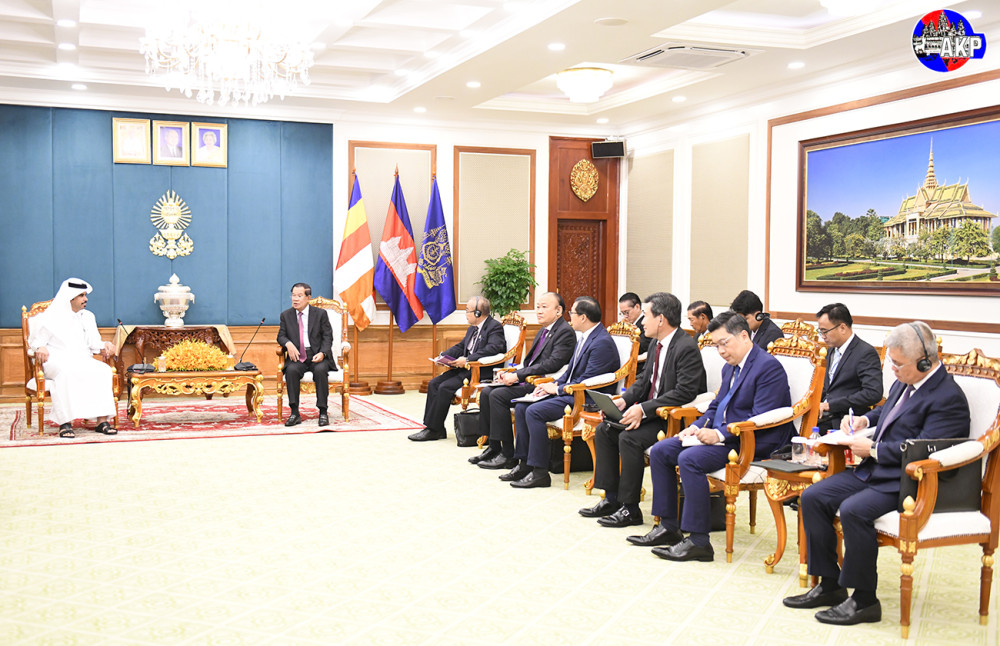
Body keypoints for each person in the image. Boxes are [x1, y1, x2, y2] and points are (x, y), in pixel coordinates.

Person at [784, 322, 969, 626]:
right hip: (876, 472)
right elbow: (887, 411)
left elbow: (925, 449)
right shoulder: (906, 381)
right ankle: (829, 585)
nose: (892, 369)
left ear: (924, 362)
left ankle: (864, 600)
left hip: (911, 482)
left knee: (854, 510)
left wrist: (873, 449)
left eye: (897, 363)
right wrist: (864, 421)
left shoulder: (948, 398)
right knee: (813, 497)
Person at [632, 310, 794, 560]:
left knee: (689, 459)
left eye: (724, 343)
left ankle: (698, 541)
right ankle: (668, 527)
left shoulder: (768, 368)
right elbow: (717, 405)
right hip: (724, 435)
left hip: (753, 441)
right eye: (717, 345)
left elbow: (760, 417)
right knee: (662, 450)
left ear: (743, 336)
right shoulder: (730, 367)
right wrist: (697, 426)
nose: (721, 351)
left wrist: (718, 435)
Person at [581, 292, 707, 527]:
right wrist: (624, 401)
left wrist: (644, 409)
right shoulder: (658, 344)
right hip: (651, 412)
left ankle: (630, 509)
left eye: (646, 315)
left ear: (660, 319)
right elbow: (643, 382)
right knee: (605, 430)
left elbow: (685, 392)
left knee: (629, 438)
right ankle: (611, 498)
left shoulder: (685, 347)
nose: (642, 322)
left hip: (671, 417)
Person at [505, 296, 620, 488]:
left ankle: (540, 473)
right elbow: (570, 372)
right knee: (522, 406)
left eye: (572, 313)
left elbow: (587, 381)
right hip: (571, 392)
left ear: (583, 317)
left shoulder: (601, 342)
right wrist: (550, 385)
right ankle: (525, 464)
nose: (569, 317)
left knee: (534, 411)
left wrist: (557, 389)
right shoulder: (585, 336)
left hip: (585, 398)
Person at [470, 292, 576, 469]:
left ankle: (507, 454)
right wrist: (510, 372)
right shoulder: (544, 330)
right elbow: (530, 362)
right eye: (538, 307)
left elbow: (552, 363)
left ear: (558, 311)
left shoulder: (565, 332)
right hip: (529, 378)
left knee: (497, 396)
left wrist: (518, 376)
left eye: (544, 307)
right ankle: (494, 447)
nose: (539, 311)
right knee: (487, 391)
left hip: (540, 383)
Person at [27, 278, 118, 438]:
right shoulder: (50, 317)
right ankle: (65, 423)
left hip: (82, 359)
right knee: (66, 371)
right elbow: (35, 342)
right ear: (70, 298)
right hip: (56, 361)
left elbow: (94, 343)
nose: (86, 299)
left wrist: (106, 345)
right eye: (81, 295)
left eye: (85, 295)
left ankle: (102, 421)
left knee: (103, 370)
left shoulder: (88, 316)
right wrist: (40, 347)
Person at [409, 296, 505, 441]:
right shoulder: (472, 328)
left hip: (479, 371)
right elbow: (461, 347)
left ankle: (434, 430)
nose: (465, 313)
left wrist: (468, 359)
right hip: (465, 369)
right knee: (433, 383)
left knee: (444, 387)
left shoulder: (494, 327)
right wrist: (443, 356)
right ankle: (434, 428)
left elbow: (494, 348)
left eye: (467, 310)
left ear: (478, 313)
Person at [814, 303, 882, 433]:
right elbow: (826, 388)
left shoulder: (865, 353)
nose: (822, 336)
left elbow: (873, 393)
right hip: (822, 416)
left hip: (844, 420)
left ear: (842, 328)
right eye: (820, 331)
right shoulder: (830, 351)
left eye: (825, 331)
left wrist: (831, 405)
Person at [278, 282, 336, 427]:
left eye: (299, 296)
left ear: (308, 298)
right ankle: (294, 413)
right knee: (291, 371)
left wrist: (323, 353)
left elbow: (327, 337)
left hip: (316, 354)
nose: (295, 299)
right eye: (293, 295)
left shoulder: (320, 314)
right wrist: (288, 344)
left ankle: (323, 412)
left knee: (320, 370)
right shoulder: (286, 315)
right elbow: (281, 336)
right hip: (297, 356)